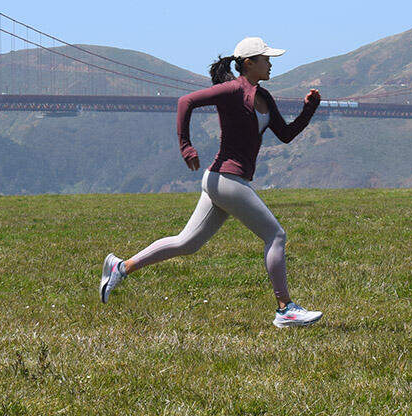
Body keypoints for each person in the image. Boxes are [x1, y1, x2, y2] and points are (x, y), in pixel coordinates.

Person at [99, 37, 324, 328]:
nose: (271, 64)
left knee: (186, 243)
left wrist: (309, 109)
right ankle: (285, 309)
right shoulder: (231, 90)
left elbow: (286, 134)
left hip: (224, 181)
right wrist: (186, 146)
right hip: (225, 178)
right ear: (248, 63)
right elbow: (185, 102)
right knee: (276, 236)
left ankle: (121, 267)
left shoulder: (264, 97)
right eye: (266, 59)